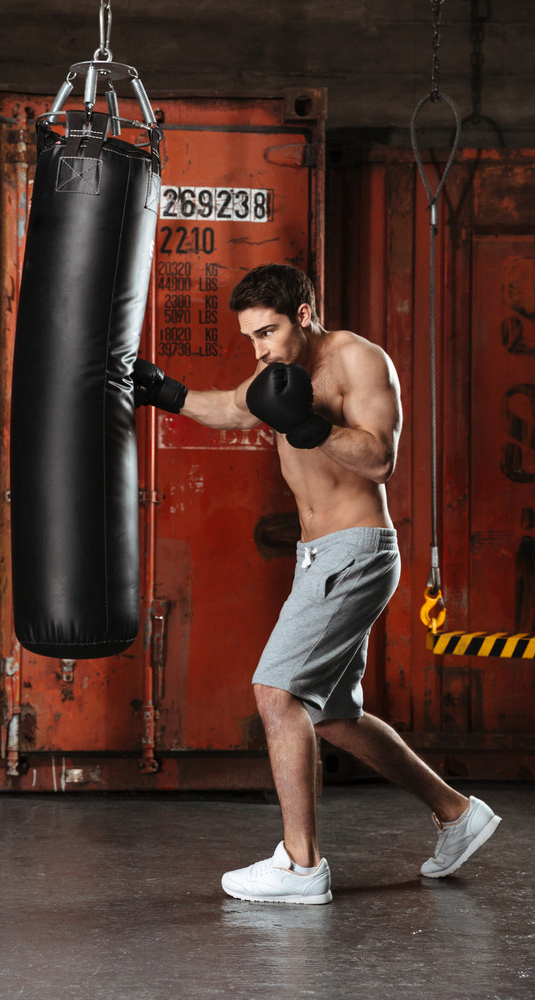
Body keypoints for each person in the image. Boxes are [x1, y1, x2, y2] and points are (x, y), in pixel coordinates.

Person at [133, 262, 501, 904]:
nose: (259, 350)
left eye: (267, 333)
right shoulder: (279, 369)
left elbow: (381, 457)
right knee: (331, 714)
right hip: (319, 556)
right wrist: (162, 390)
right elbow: (233, 407)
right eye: (251, 338)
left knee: (276, 694)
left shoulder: (358, 360)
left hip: (353, 550)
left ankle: (302, 868)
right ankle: (456, 813)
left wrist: (309, 426)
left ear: (303, 315)